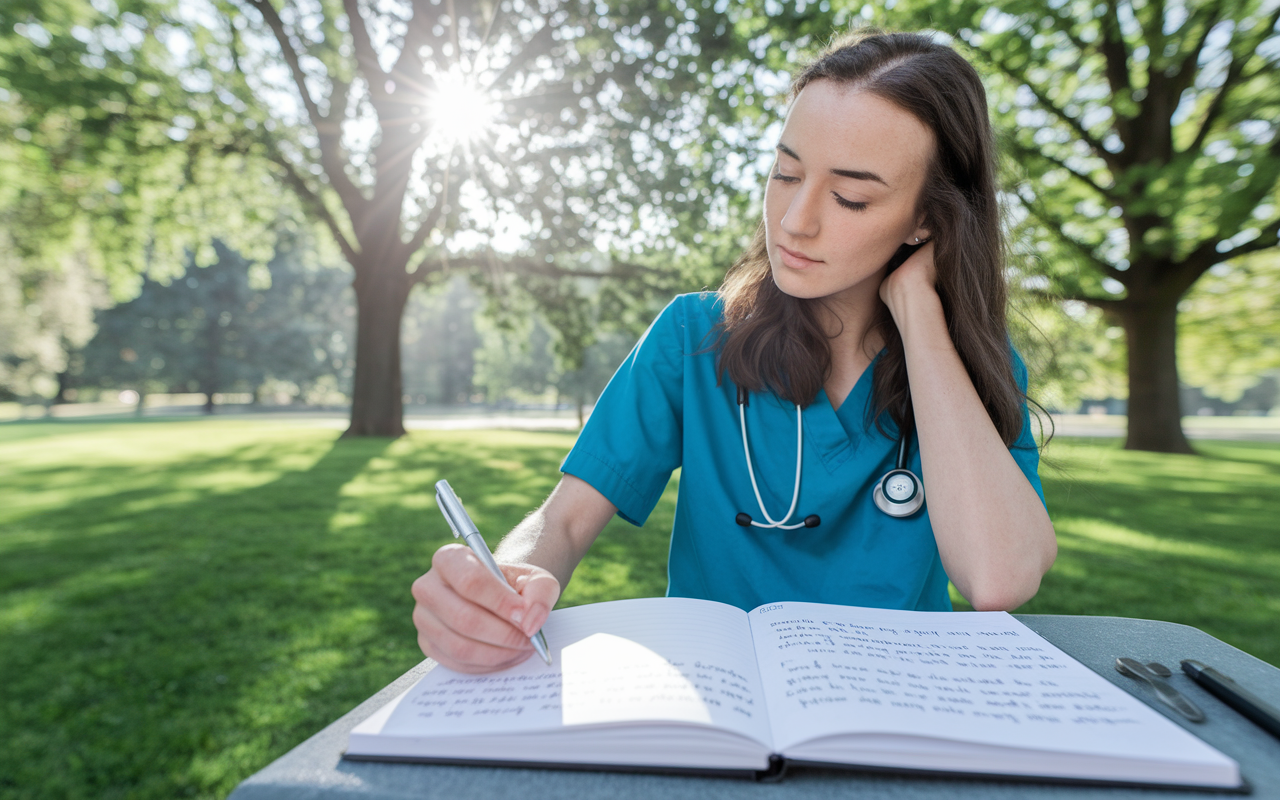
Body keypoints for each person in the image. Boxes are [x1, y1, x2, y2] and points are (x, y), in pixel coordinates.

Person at [412, 30, 1058, 674]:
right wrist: (508, 582)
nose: (794, 220)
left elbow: (997, 580)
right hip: (719, 697)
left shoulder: (968, 365)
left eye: (850, 197)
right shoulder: (693, 336)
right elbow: (566, 521)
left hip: (896, 700)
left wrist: (918, 310)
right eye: (786, 173)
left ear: (928, 220)